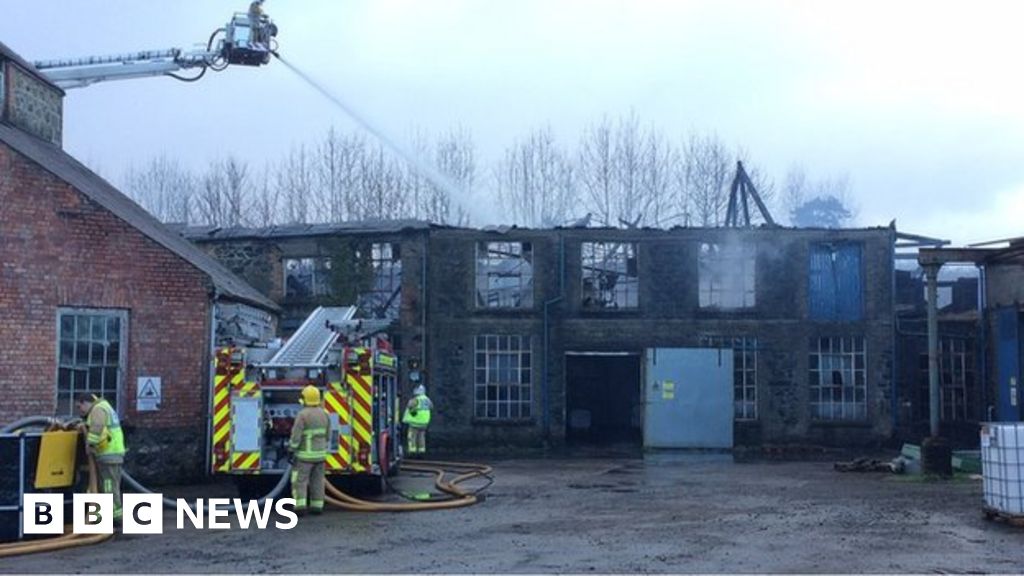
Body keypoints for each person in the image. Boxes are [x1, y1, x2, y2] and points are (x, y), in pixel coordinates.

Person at [76, 393, 125, 523]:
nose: (80, 411)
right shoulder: (104, 406)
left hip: (108, 455)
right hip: (111, 454)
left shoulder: (98, 409)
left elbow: (97, 428)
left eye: (79, 407)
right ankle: (102, 516)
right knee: (104, 486)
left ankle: (116, 517)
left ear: (85, 402)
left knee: (109, 487)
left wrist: (89, 444)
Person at [289, 385, 329, 515]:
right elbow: (328, 434)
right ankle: (317, 507)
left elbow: (296, 435)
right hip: (320, 455)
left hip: (305, 456)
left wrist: (291, 449)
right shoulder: (324, 414)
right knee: (317, 481)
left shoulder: (302, 415)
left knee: (300, 481)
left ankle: (300, 507)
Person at [402, 384, 433, 457]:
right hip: (424, 423)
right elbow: (431, 407)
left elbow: (410, 406)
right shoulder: (427, 399)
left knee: (412, 436)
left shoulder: (415, 399)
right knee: (421, 437)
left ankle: (412, 452)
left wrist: (413, 414)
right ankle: (421, 451)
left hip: (415, 422)